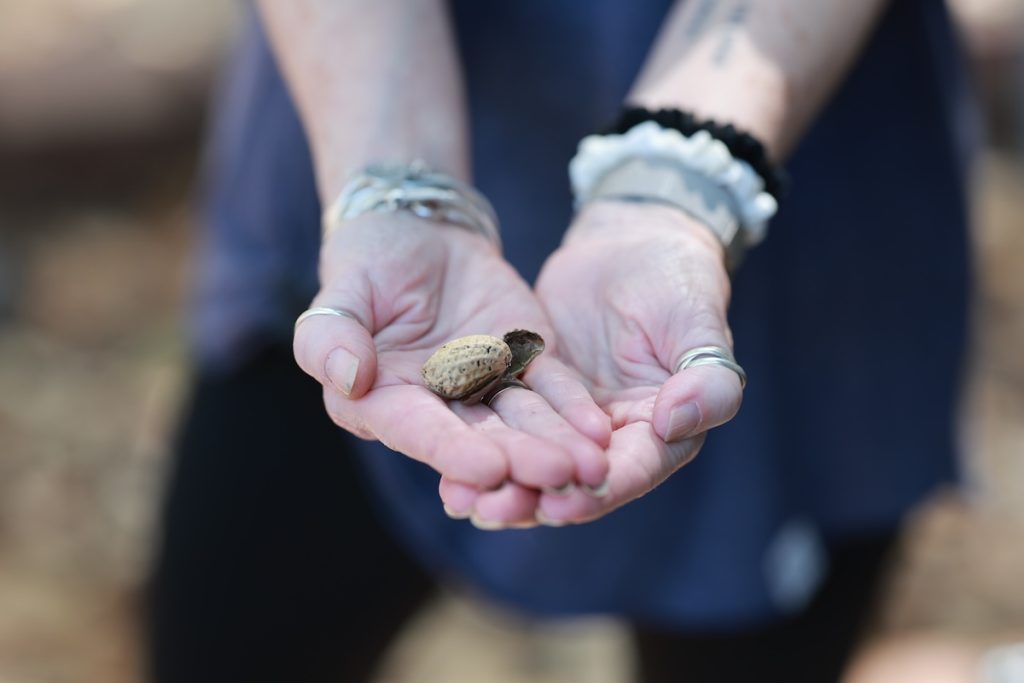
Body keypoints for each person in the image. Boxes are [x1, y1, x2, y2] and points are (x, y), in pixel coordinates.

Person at [147, 1, 975, 681]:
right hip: (363, 108)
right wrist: (398, 185)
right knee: (234, 634)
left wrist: (678, 187)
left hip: (793, 145)